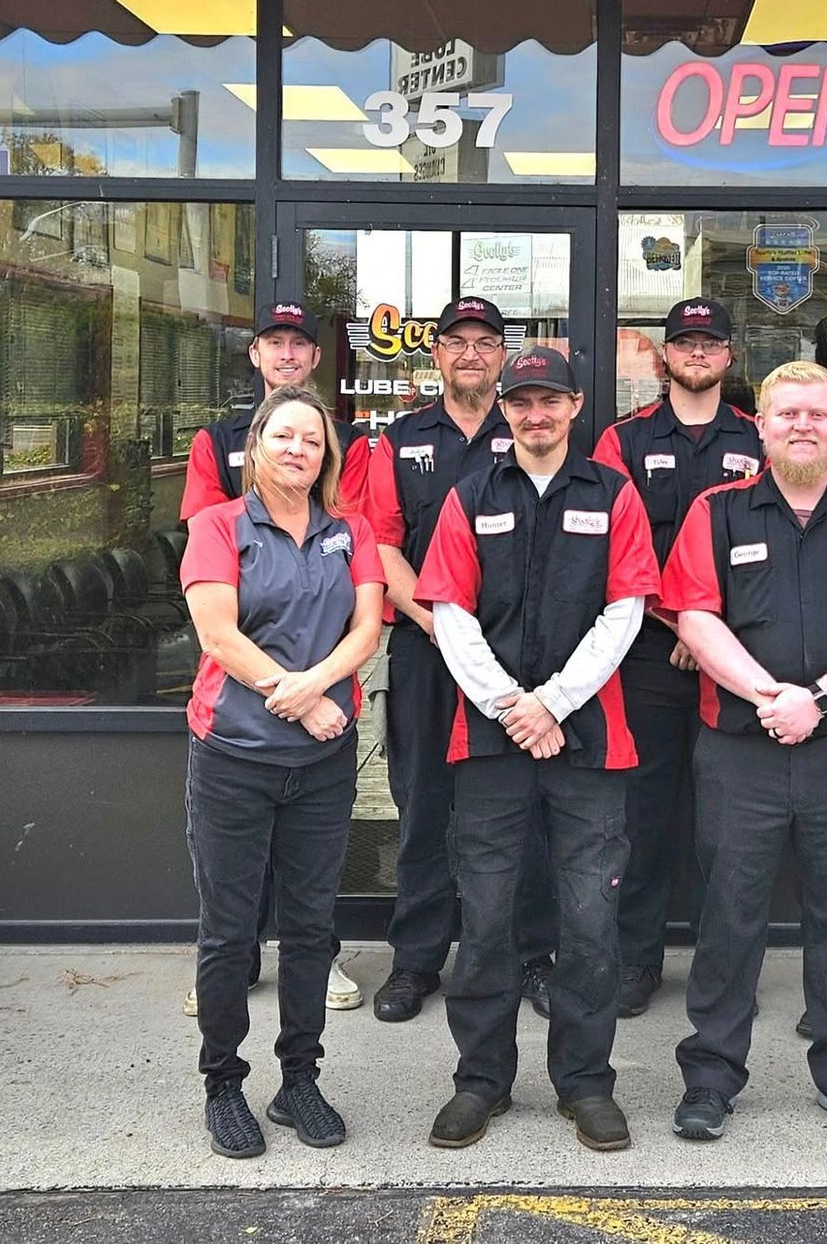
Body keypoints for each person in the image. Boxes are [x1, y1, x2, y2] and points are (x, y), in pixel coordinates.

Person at [660, 359, 827, 1145]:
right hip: (739, 749)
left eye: (819, 414)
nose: (804, 426)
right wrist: (768, 699)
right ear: (762, 425)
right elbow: (696, 620)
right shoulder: (718, 512)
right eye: (788, 415)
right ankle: (710, 1078)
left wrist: (815, 702)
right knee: (729, 916)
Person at [413, 347, 661, 1151]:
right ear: (506, 409)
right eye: (521, 402)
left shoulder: (614, 494)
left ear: (576, 405)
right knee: (485, 920)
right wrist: (510, 707)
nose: (534, 414)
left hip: (589, 741)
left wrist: (551, 703)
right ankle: (480, 1081)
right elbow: (449, 612)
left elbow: (625, 611)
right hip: (489, 741)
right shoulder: (469, 493)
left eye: (548, 400)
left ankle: (585, 1084)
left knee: (589, 922)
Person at [178, 386, 386, 1159]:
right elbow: (218, 634)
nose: (300, 449)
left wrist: (316, 689)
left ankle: (300, 1080)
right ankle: (223, 1084)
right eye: (285, 436)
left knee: (309, 929)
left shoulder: (350, 530)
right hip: (233, 757)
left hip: (322, 766)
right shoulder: (217, 527)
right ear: (257, 446)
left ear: (326, 454)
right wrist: (300, 699)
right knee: (230, 933)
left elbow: (366, 626)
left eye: (313, 439)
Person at [363, 295, 557, 1023]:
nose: (471, 353)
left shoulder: (532, 432)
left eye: (485, 342)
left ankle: (533, 956)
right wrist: (441, 626)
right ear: (436, 354)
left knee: (524, 809)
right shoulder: (402, 439)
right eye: (457, 342)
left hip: (517, 662)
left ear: (502, 355)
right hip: (427, 651)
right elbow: (383, 542)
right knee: (422, 807)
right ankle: (415, 962)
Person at [179, 300, 363, 1018]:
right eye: (273, 343)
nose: (286, 354)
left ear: (315, 358)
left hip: (317, 676)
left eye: (299, 344)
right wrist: (300, 691)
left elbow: (357, 558)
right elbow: (206, 541)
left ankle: (315, 965)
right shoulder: (214, 440)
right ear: (254, 355)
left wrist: (320, 686)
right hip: (238, 692)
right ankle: (232, 960)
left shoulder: (344, 447)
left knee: (312, 868)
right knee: (230, 866)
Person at [592, 297, 759, 1018]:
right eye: (684, 343)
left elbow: (781, 554)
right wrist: (682, 626)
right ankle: (636, 960)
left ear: (728, 356)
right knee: (643, 816)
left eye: (709, 343)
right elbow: (611, 546)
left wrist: (715, 635)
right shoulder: (621, 442)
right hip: (649, 657)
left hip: (743, 661)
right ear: (665, 359)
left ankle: (725, 972)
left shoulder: (760, 440)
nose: (697, 353)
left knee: (733, 823)